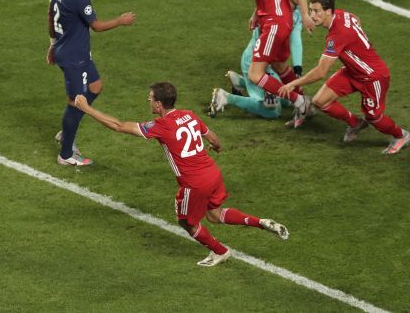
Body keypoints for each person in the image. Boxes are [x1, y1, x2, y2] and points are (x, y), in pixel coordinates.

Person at [74, 82, 289, 267]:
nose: (148, 101)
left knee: (187, 222)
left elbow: (119, 126)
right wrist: (219, 148)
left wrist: (86, 108)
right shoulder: (189, 115)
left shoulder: (161, 125)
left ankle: (220, 251)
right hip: (213, 173)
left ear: (159, 104)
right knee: (214, 215)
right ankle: (260, 221)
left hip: (195, 183)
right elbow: (212, 138)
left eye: (150, 98)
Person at [278, 0, 410, 155]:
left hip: (373, 76)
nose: (312, 15)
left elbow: (320, 72)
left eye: (317, 11)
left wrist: (292, 84)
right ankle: (355, 123)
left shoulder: (337, 36)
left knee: (373, 116)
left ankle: (401, 135)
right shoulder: (341, 14)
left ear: (328, 12)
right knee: (320, 101)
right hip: (352, 71)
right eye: (311, 10)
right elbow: (356, 18)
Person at [47, 0, 135, 166]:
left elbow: (50, 13)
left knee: (95, 87)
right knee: (77, 101)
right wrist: (120, 21)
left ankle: (67, 131)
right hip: (73, 57)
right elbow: (96, 26)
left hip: (70, 51)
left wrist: (51, 44)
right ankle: (66, 154)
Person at [239, 0, 314, 125]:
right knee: (280, 67)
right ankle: (304, 100)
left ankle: (299, 101)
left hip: (275, 23)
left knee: (255, 74)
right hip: (269, 20)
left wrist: (306, 15)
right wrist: (256, 13)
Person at [209, 10, 303, 119]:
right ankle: (225, 97)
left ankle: (239, 81)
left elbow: (296, 39)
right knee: (273, 111)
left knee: (286, 98)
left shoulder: (296, 10)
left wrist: (297, 69)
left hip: (267, 63)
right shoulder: (274, 8)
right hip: (256, 63)